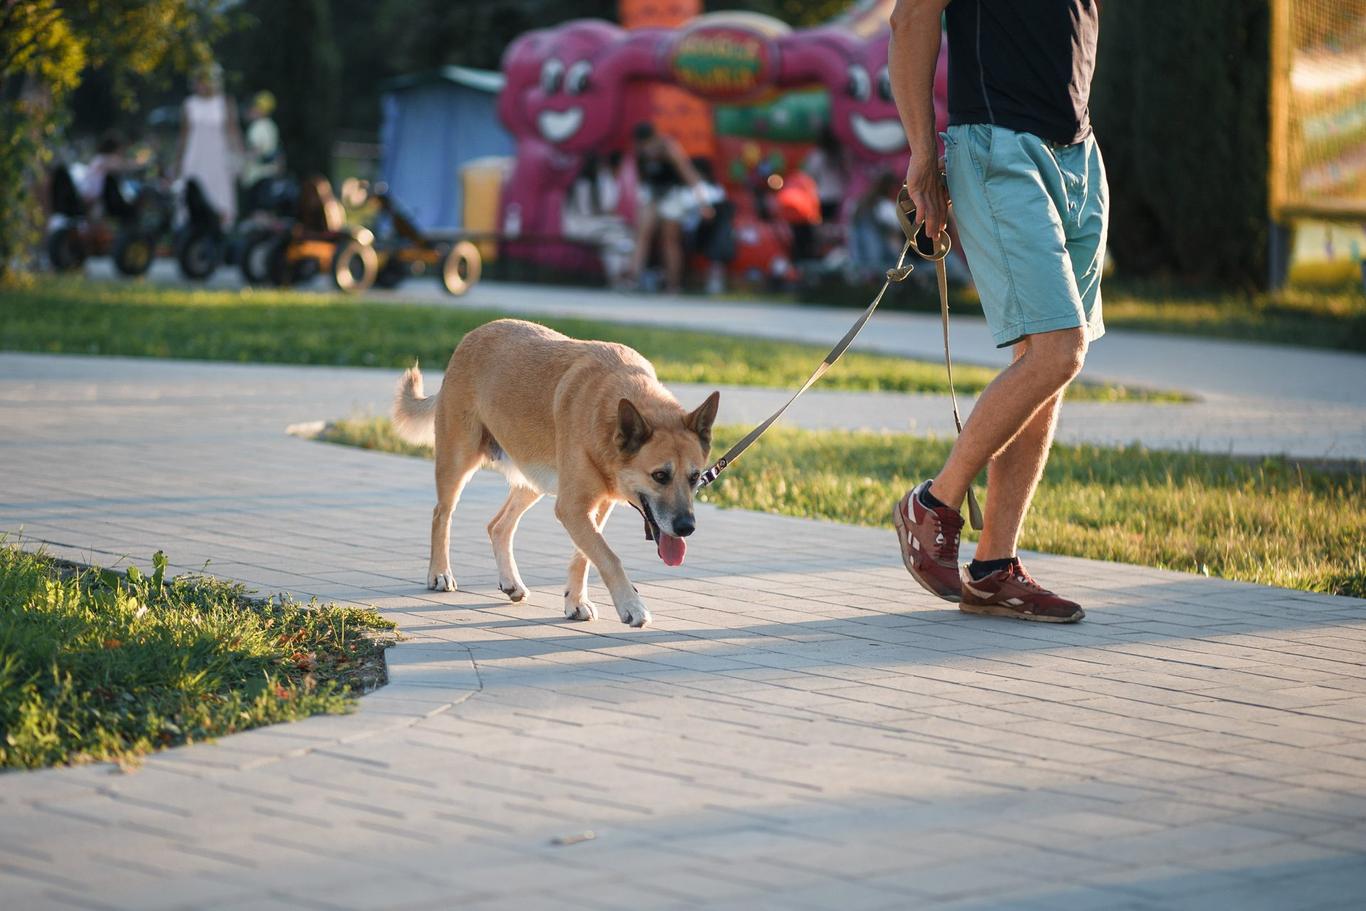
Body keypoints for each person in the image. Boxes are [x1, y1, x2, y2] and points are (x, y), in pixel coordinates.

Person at [887, 0, 1106, 623]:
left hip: (1080, 154)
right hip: (996, 146)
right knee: (1059, 351)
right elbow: (911, 19)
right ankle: (932, 504)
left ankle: (992, 568)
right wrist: (924, 156)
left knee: (1043, 362)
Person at [628, 122, 714, 294]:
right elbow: (642, 179)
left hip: (673, 195)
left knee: (670, 240)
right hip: (653, 194)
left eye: (648, 145)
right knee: (642, 235)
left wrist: (704, 203)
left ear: (655, 139)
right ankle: (633, 279)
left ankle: (672, 285)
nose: (647, 149)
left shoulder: (669, 148)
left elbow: (689, 175)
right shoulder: (640, 152)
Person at [173, 63, 242, 227]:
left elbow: (233, 132)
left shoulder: (225, 102)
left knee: (219, 200)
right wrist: (177, 163)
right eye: (198, 81)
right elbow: (184, 136)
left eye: (204, 81)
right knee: (192, 196)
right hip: (195, 159)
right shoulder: (189, 104)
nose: (201, 85)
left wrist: (239, 159)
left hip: (218, 160)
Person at [562, 153, 635, 288]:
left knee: (619, 238)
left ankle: (621, 276)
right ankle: (618, 278)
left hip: (589, 225)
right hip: (582, 226)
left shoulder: (583, 181)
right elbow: (605, 209)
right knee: (615, 237)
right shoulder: (588, 183)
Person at [240, 90, 281, 213]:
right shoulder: (271, 126)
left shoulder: (257, 127)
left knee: (257, 211)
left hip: (256, 177)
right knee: (266, 209)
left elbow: (256, 151)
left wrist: (242, 159)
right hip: (269, 174)